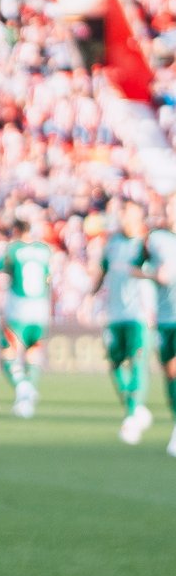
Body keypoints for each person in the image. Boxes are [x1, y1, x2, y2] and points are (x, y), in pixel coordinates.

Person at [92, 200, 154, 445]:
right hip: (115, 313)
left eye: (129, 213)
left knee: (138, 361)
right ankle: (135, 407)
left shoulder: (147, 244)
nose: (124, 217)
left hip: (140, 313)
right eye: (123, 213)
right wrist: (90, 296)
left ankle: (130, 416)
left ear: (139, 217)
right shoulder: (113, 243)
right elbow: (103, 272)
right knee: (115, 363)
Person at [0, 217, 52, 419]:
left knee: (7, 353)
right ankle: (27, 398)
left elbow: (0, 268)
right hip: (41, 308)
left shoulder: (13, 249)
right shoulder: (44, 250)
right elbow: (48, 277)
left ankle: (23, 387)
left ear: (16, 230)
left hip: (19, 308)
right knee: (33, 351)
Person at [138, 195, 176, 456]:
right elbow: (136, 265)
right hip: (165, 317)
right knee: (170, 374)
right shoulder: (157, 239)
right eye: (169, 208)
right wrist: (151, 274)